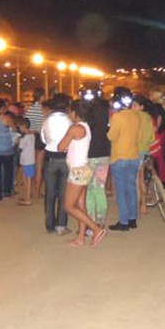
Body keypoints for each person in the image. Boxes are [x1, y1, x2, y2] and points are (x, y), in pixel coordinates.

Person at [58, 100, 107, 247]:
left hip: (78, 171)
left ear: (74, 112)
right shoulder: (86, 127)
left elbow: (60, 147)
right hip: (84, 168)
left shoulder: (75, 128)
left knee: (68, 206)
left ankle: (96, 229)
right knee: (81, 206)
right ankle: (80, 238)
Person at [108, 87, 142, 231]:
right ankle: (133, 219)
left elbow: (111, 136)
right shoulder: (136, 115)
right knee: (131, 188)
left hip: (119, 156)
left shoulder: (117, 116)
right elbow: (139, 137)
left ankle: (123, 221)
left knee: (121, 191)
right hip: (134, 156)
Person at [41, 94, 73, 235]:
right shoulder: (70, 120)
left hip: (50, 158)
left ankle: (49, 225)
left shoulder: (47, 120)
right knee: (63, 193)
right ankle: (61, 225)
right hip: (65, 158)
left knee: (50, 193)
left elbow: (43, 138)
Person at [85, 95, 111, 228]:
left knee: (90, 190)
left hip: (90, 156)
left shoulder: (88, 124)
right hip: (104, 155)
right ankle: (100, 221)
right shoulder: (106, 122)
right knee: (100, 189)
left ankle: (91, 222)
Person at [132, 95, 155, 214]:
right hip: (146, 150)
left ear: (141, 107)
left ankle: (137, 208)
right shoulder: (148, 118)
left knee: (136, 180)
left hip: (136, 151)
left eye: (135, 105)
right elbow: (152, 137)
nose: (132, 107)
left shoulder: (135, 118)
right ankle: (144, 206)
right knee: (141, 178)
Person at [25, 88, 47, 198]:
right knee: (39, 166)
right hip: (40, 138)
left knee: (31, 164)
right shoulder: (43, 109)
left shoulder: (30, 109)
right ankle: (37, 191)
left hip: (30, 137)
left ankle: (31, 188)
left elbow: (26, 123)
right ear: (42, 96)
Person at [16, 117, 35, 206]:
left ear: (23, 126)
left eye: (20, 127)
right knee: (28, 178)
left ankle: (27, 198)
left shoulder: (25, 138)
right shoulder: (32, 136)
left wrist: (18, 141)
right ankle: (27, 195)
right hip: (30, 159)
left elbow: (20, 148)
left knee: (27, 179)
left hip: (26, 160)